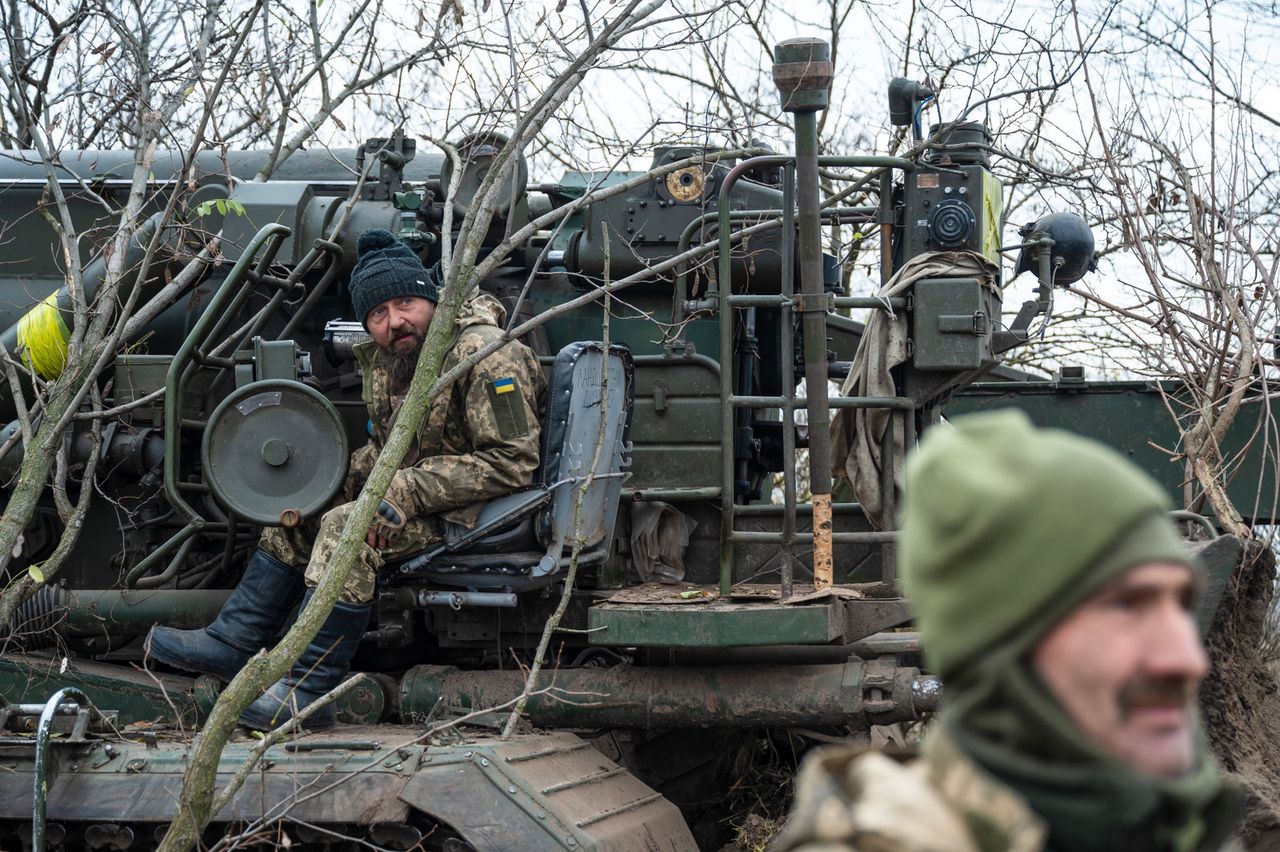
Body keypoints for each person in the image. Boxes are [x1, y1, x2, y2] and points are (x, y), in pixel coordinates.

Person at [772, 410, 1242, 852]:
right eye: (1126, 607)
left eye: (1180, 606)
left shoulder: (1191, 827)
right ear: (1002, 640)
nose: (1186, 659)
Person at [146, 228, 546, 730]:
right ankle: (234, 641)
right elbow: (389, 450)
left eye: (405, 303)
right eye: (378, 314)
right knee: (307, 506)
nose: (395, 321)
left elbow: (512, 462)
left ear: (430, 299)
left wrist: (401, 491)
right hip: (424, 501)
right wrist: (334, 479)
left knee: (344, 529)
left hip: (478, 514)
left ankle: (309, 693)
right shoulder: (395, 359)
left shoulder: (484, 353)